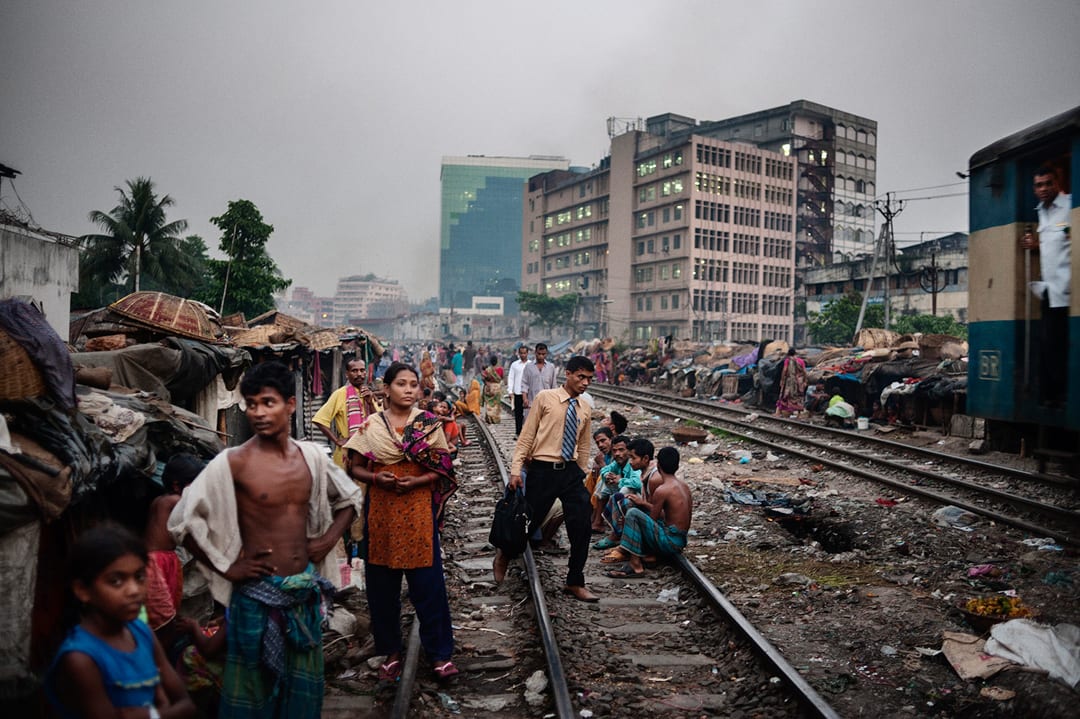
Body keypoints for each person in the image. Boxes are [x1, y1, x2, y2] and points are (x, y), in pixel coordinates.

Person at [168, 361, 362, 719]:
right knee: (251, 698)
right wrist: (227, 567)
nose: (257, 412)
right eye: (251, 403)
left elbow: (350, 499)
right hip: (254, 599)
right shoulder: (234, 462)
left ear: (290, 404)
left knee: (302, 698)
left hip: (302, 596)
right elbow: (182, 521)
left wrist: (326, 541)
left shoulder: (312, 460)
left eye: (267, 402)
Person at [343, 362, 459, 681]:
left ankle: (440, 654)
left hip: (418, 509)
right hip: (381, 509)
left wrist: (418, 482)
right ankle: (390, 651)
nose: (409, 390)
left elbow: (444, 468)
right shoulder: (371, 426)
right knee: (382, 587)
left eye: (414, 385)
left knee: (429, 585)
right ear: (386, 389)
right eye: (401, 384)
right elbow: (354, 466)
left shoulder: (428, 424)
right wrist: (377, 478)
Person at [46, 524, 196, 719]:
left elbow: (187, 706)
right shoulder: (80, 658)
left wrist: (150, 715)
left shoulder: (142, 633)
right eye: (116, 581)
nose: (134, 590)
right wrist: (163, 709)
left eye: (140, 577)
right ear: (82, 590)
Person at [495, 355, 597, 602]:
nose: (585, 383)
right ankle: (504, 554)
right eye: (581, 377)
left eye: (589, 379)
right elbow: (527, 436)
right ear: (569, 374)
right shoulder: (545, 398)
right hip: (542, 469)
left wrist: (582, 474)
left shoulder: (584, 406)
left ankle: (575, 581)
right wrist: (516, 470)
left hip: (570, 471)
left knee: (582, 525)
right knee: (527, 522)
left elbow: (583, 445)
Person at [1021, 165, 1071, 407]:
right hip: (1050, 289)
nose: (1043, 189)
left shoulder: (1070, 206)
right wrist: (1036, 245)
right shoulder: (1041, 211)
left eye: (1047, 183)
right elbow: (1055, 245)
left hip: (1069, 288)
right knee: (1048, 343)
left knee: (1059, 343)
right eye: (1038, 185)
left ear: (1057, 182)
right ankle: (1052, 396)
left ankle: (1060, 395)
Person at [606, 447, 693, 579]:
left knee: (633, 513)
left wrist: (631, 522)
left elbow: (652, 519)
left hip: (669, 542)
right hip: (681, 540)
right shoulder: (684, 486)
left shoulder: (662, 490)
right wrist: (644, 504)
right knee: (638, 511)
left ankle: (635, 565)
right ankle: (646, 555)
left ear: (658, 465)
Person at [144, 454, 203, 644]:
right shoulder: (173, 502)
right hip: (157, 562)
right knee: (160, 616)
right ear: (177, 485)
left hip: (163, 559)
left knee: (165, 611)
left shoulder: (161, 500)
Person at [312, 358, 380, 469]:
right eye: (354, 371)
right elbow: (319, 419)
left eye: (362, 370)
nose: (359, 374)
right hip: (347, 452)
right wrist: (336, 440)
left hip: (370, 449)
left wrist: (370, 403)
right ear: (347, 374)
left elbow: (379, 421)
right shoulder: (340, 394)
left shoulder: (369, 393)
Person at [521, 343, 557, 420]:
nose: (541, 356)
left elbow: (553, 386)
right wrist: (525, 399)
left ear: (546, 354)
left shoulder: (551, 367)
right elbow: (524, 384)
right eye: (539, 354)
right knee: (531, 427)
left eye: (543, 354)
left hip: (547, 403)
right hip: (532, 403)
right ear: (535, 353)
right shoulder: (529, 367)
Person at [775, 348, 808, 418]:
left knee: (785, 396)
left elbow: (785, 370)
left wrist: (782, 380)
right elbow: (804, 372)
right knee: (799, 396)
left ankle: (778, 412)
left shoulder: (788, 360)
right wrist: (805, 381)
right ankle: (799, 414)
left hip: (790, 382)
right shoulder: (801, 361)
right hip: (799, 382)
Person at [507, 345, 530, 436]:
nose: (523, 355)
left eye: (525, 353)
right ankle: (518, 432)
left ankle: (528, 433)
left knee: (529, 414)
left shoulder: (531, 365)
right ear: (518, 353)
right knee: (518, 414)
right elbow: (511, 378)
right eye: (521, 353)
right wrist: (510, 390)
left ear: (527, 353)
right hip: (518, 392)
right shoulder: (515, 365)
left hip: (528, 393)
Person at [480, 354, 505, 424]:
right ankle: (496, 419)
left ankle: (489, 418)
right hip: (497, 388)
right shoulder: (500, 369)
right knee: (496, 405)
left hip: (488, 388)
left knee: (489, 404)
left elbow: (483, 378)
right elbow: (502, 378)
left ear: (490, 362)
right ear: (497, 362)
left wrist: (486, 383)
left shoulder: (488, 370)